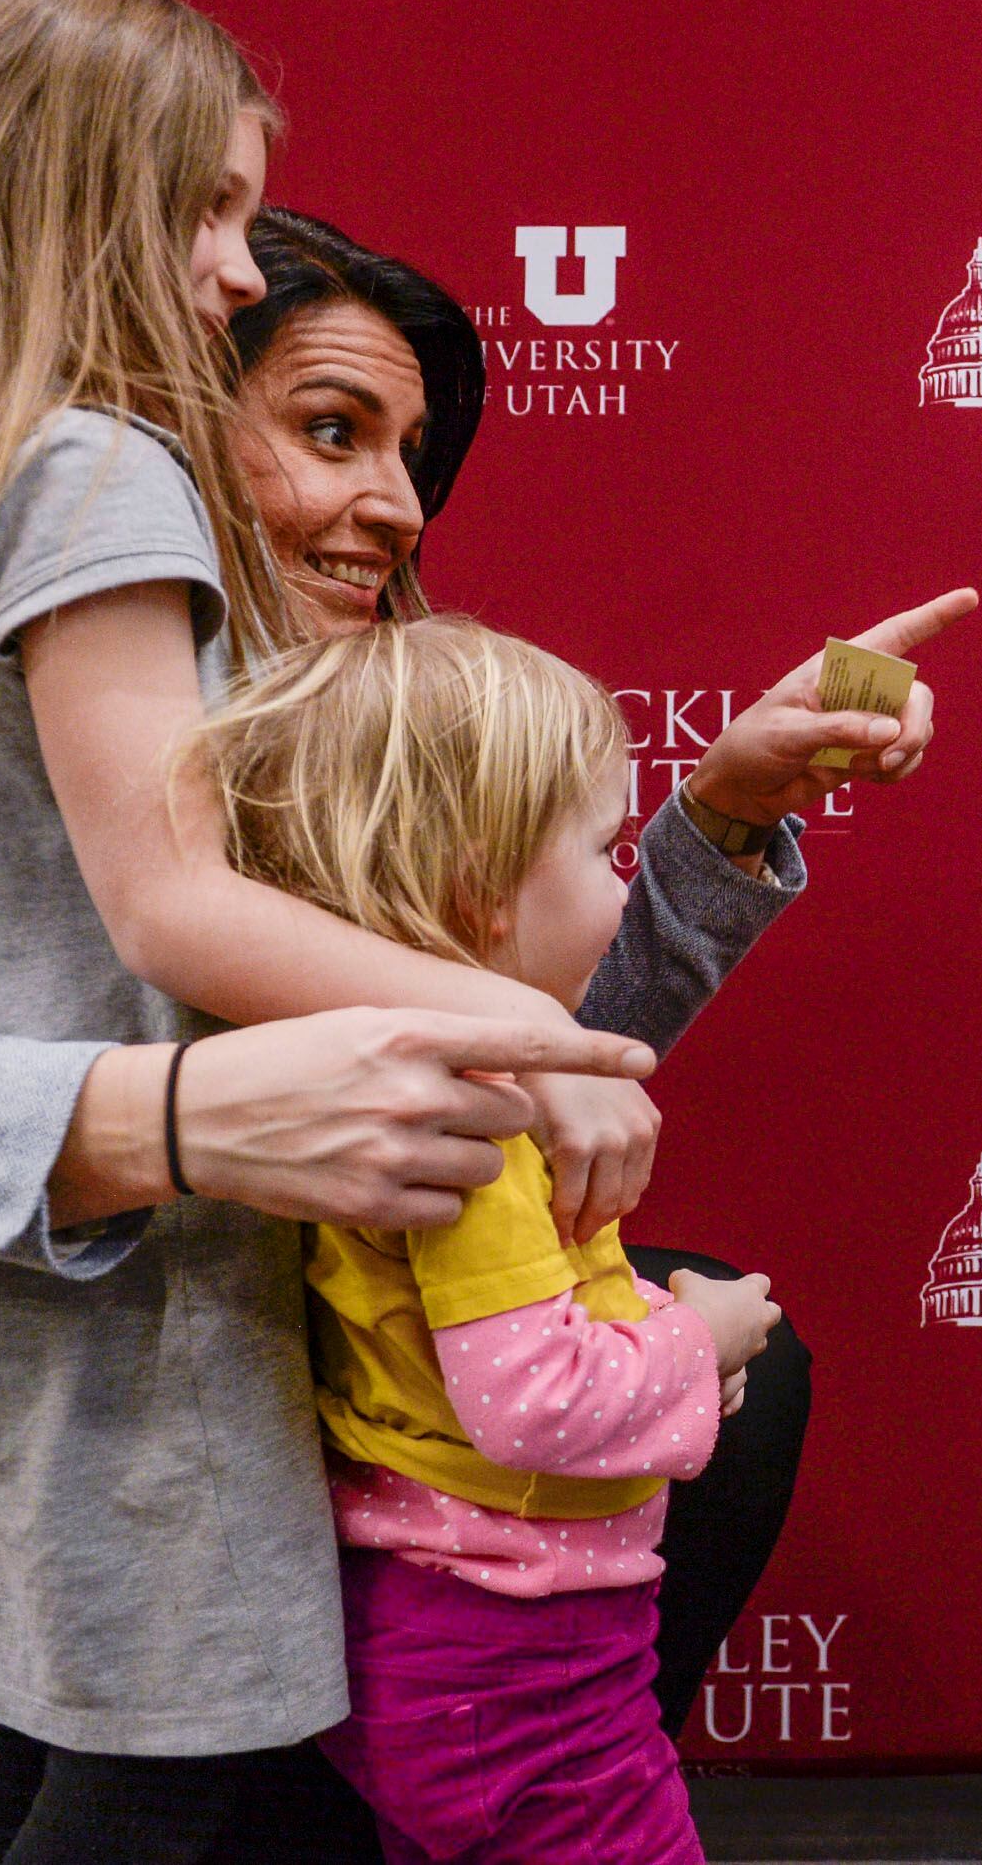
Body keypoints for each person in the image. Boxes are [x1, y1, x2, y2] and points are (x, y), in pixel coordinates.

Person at [0, 12, 949, 1855]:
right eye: (326, 427)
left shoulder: (340, 714)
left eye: (410, 458)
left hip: (296, 1443)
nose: (387, 501)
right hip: (55, 1448)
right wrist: (165, 1120)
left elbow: (487, 1063)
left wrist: (725, 817)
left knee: (722, 1394)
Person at [197, 618, 773, 1862]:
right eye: (606, 851)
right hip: (520, 1667)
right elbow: (530, 1400)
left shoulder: (386, 1092)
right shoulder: (479, 1121)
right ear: (477, 894)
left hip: (450, 1646)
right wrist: (698, 1335)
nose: (628, 891)